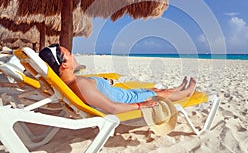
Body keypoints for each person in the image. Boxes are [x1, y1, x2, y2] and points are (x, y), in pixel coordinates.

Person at [39, 44, 197, 114]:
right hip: (127, 100)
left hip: (121, 93)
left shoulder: (72, 81)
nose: (73, 55)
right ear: (64, 65)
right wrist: (141, 105)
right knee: (159, 93)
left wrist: (105, 83)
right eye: (69, 54)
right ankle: (185, 93)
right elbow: (113, 108)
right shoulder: (79, 85)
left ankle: (179, 87)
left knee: (154, 89)